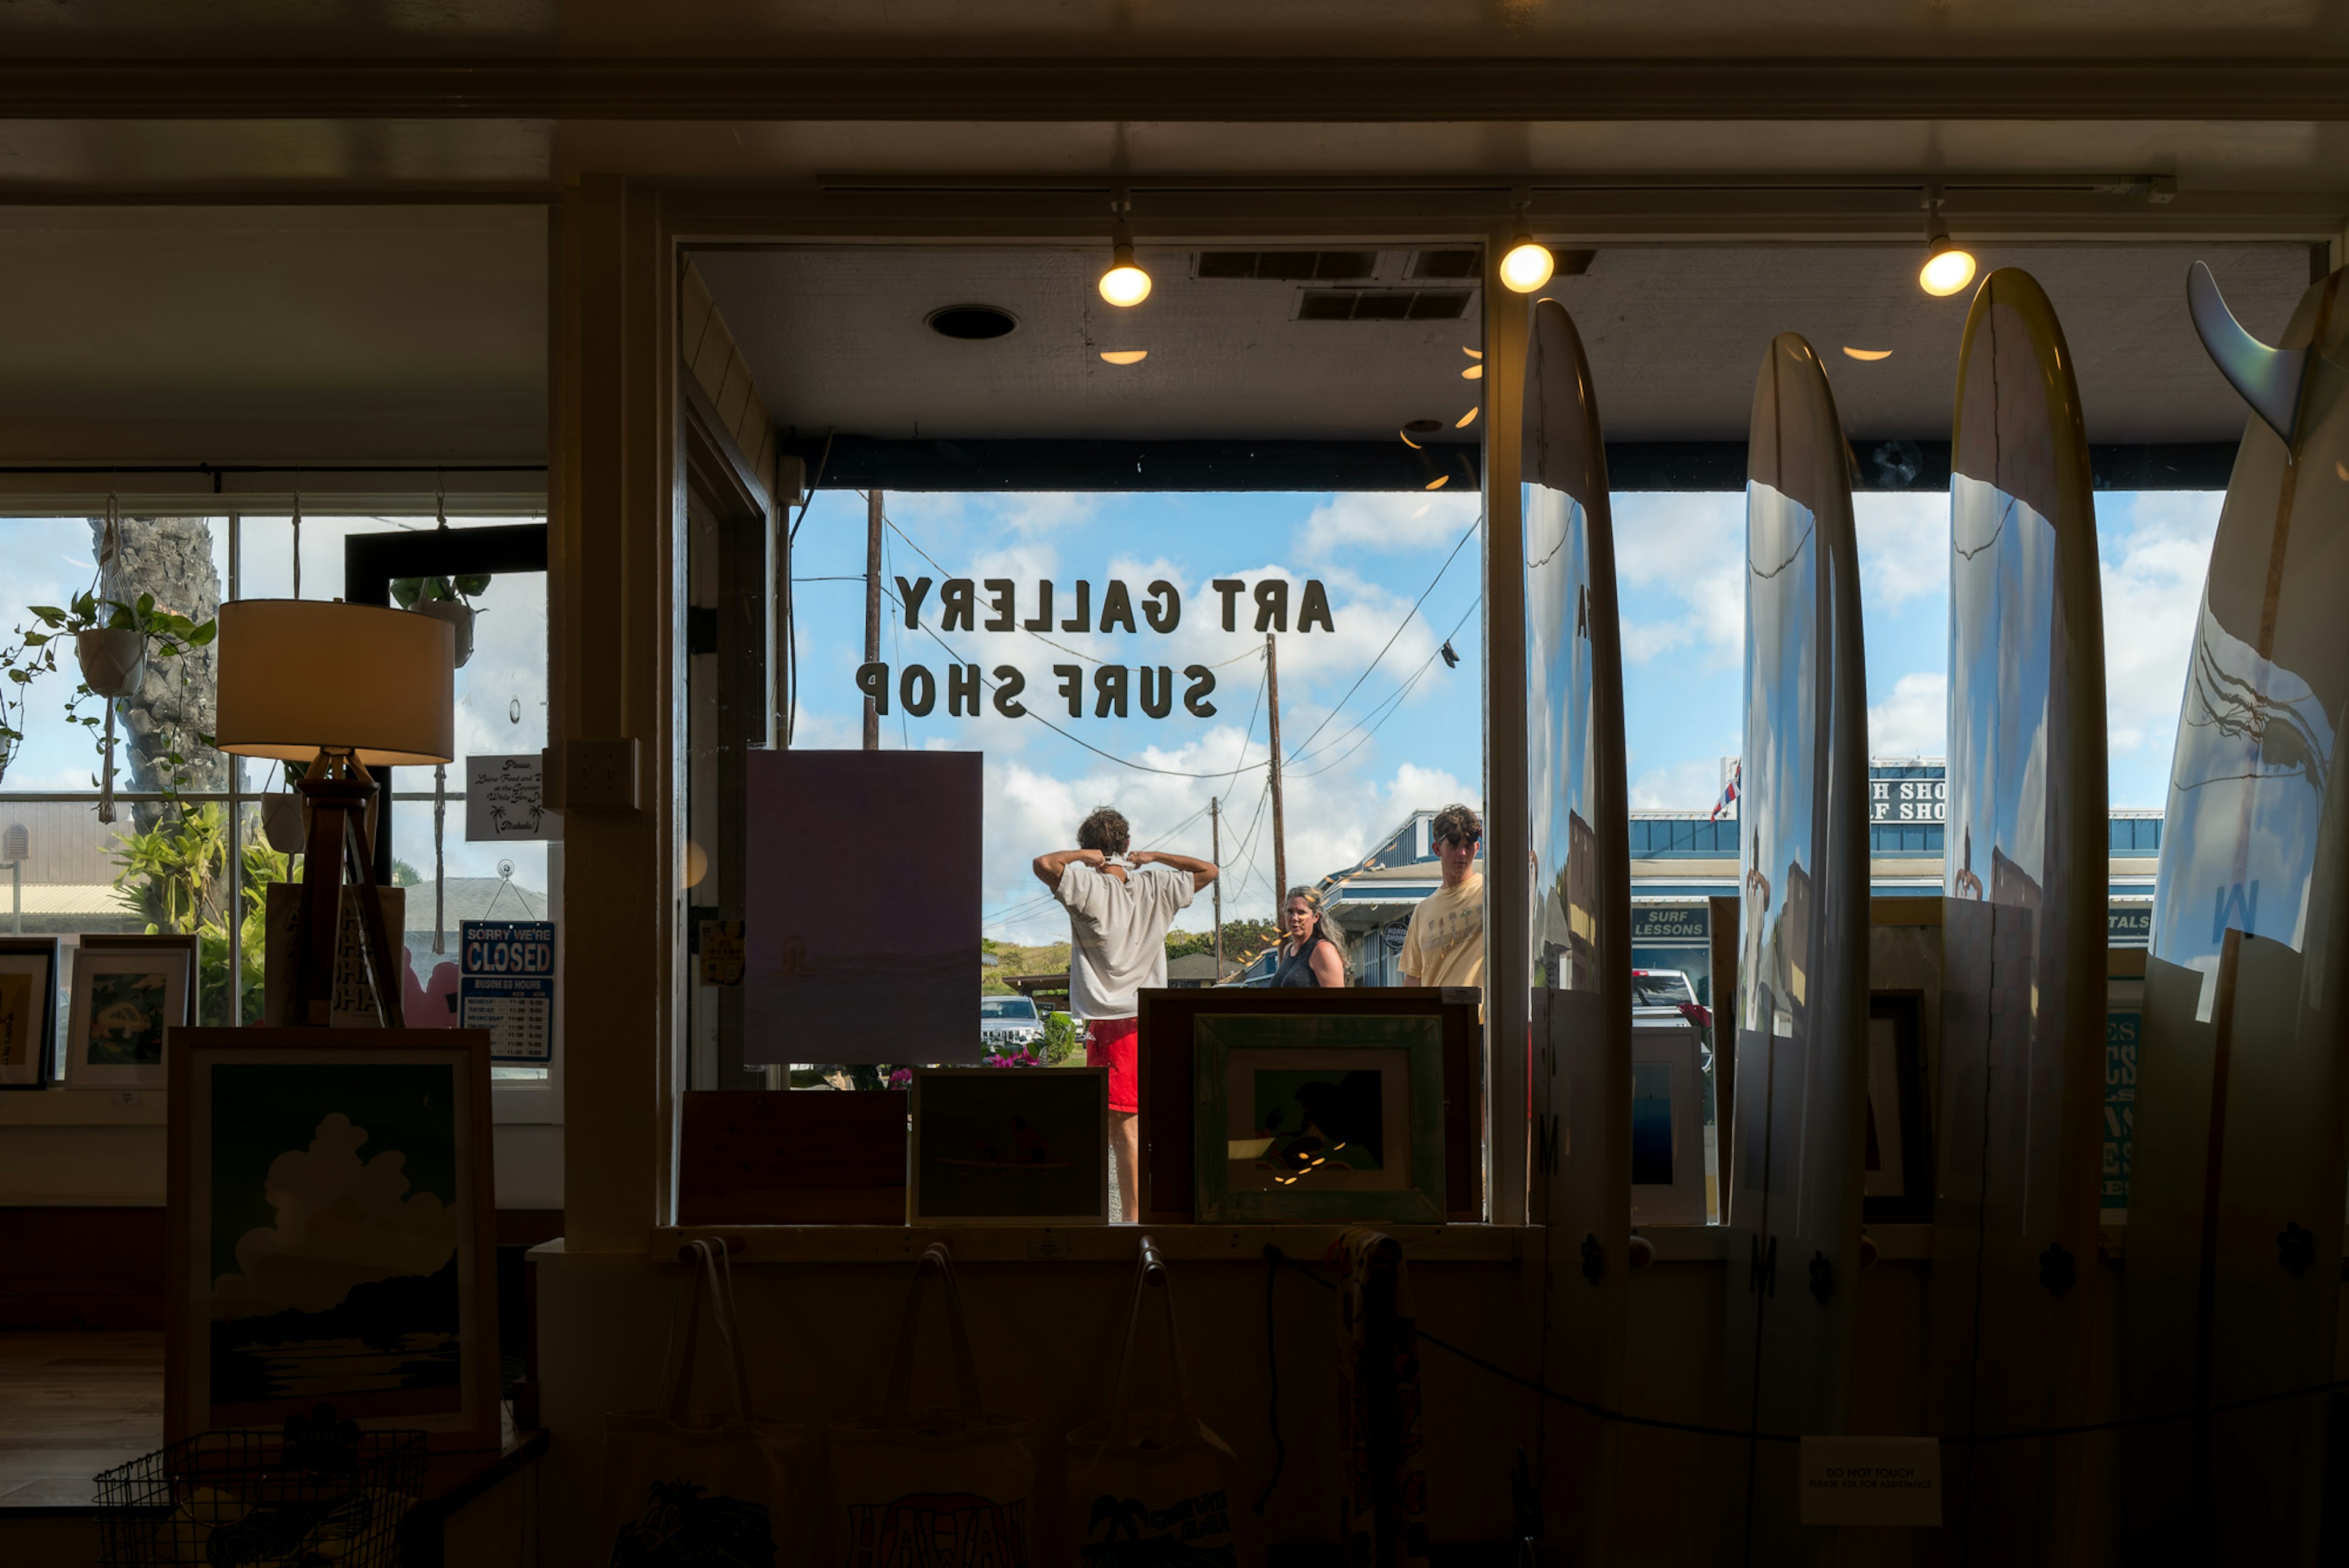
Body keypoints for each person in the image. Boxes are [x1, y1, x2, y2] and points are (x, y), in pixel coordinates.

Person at [1033, 806, 1217, 1221]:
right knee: (1122, 1126)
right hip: (1138, 1018)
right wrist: (1156, 857)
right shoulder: (1155, 885)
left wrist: (1083, 857)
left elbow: (1044, 864)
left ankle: (1133, 1220)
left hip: (1117, 1021)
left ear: (1091, 847)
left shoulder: (1085, 883)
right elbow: (1209, 870)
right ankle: (1133, 1215)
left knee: (1125, 1129)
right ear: (1128, 845)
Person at [1398, 802, 1484, 991]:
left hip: (1484, 1019)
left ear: (1477, 848)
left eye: (1468, 846)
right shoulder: (1422, 911)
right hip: (1439, 1019)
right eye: (1454, 845)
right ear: (1437, 849)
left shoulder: (1490, 892)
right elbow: (1414, 978)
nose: (1462, 853)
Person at [1272, 885, 1346, 988]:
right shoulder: (1288, 950)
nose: (1295, 918)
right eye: (1290, 912)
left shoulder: (1323, 950)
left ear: (1316, 917)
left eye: (1301, 912)